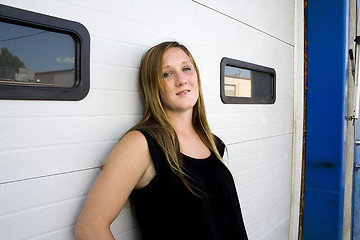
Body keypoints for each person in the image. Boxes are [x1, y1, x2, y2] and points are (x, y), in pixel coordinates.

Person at [74, 41, 248, 240]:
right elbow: (89, 228)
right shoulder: (142, 144)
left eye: (186, 68)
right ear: (152, 84)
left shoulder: (213, 143)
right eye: (167, 73)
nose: (181, 80)